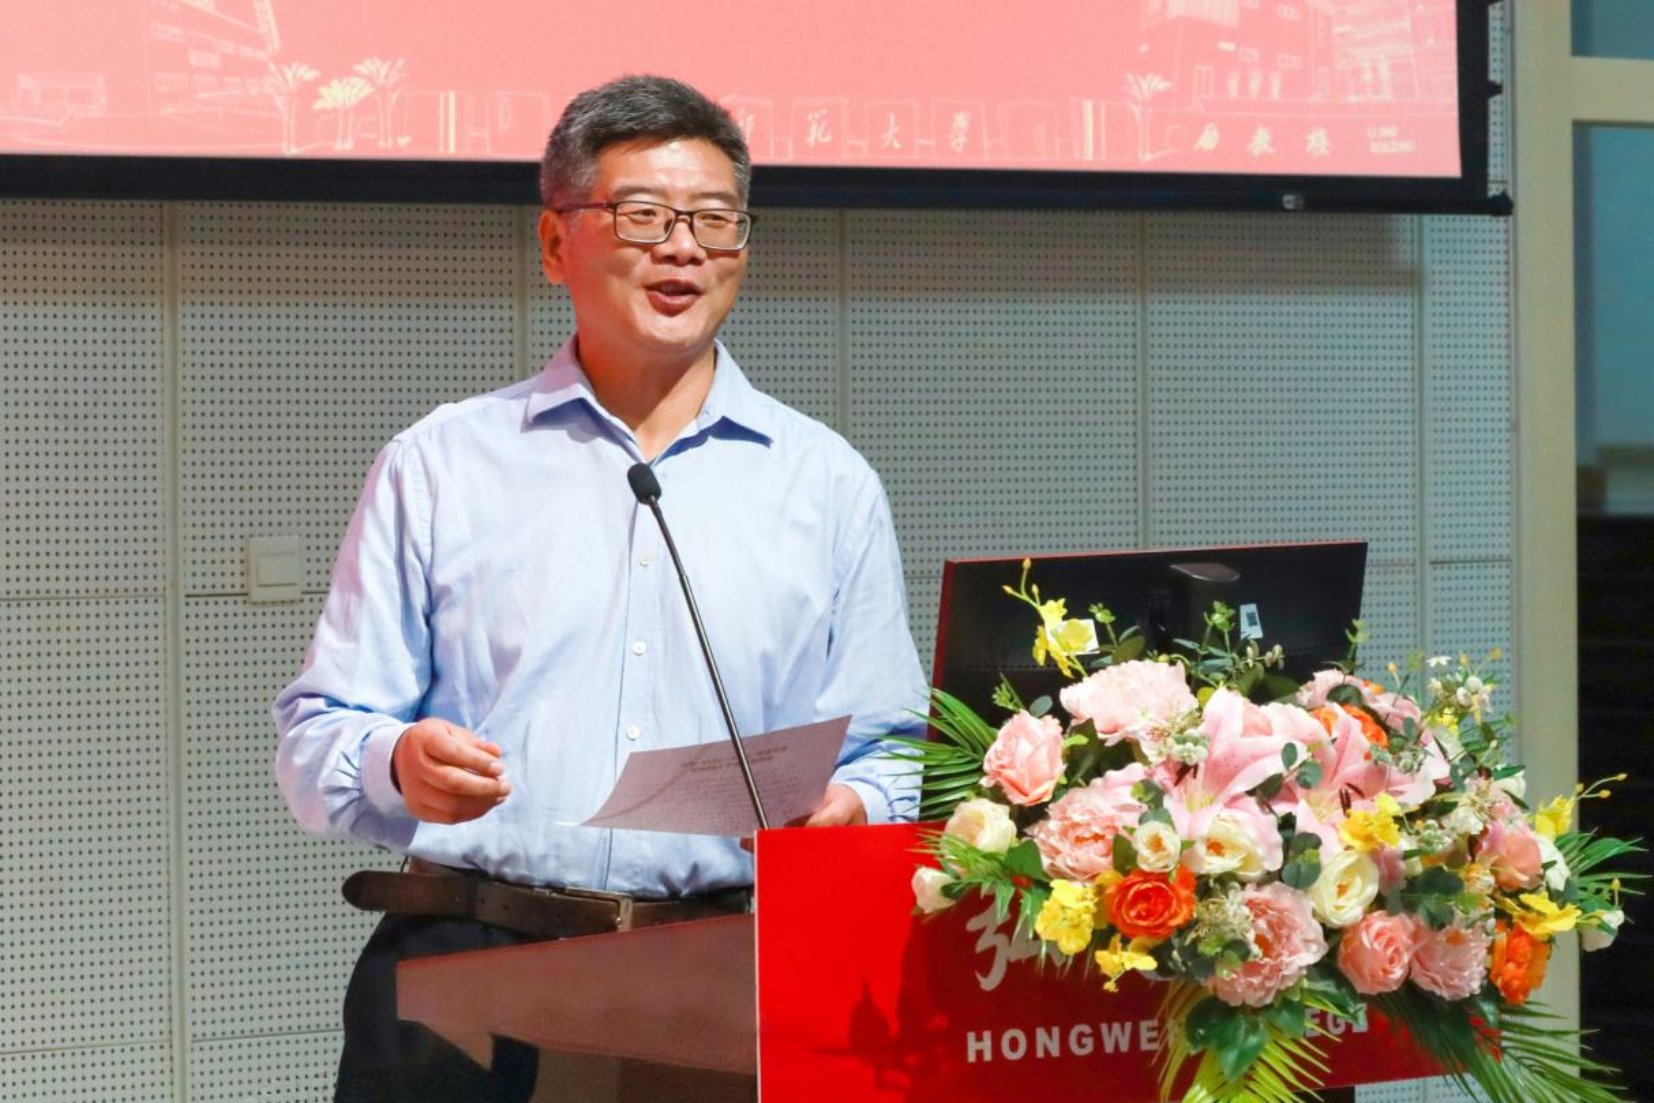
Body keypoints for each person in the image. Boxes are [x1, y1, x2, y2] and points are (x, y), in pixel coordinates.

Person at [273, 74, 927, 1102]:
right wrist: (397, 761)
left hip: (725, 980)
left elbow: (894, 748)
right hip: (469, 973)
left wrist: (856, 804)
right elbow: (314, 738)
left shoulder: (825, 482)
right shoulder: (440, 464)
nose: (684, 248)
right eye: (643, 215)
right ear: (554, 243)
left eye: (715, 219)